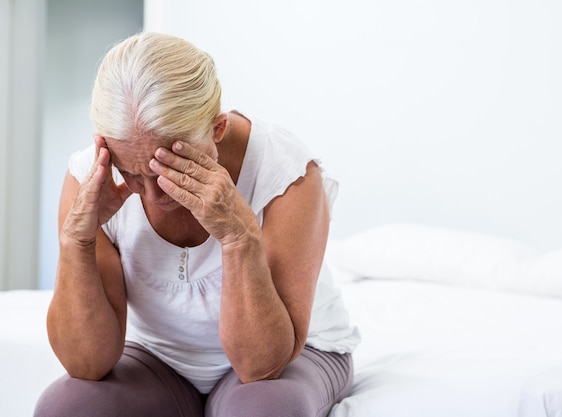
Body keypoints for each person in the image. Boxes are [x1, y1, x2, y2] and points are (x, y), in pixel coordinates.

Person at [34, 32, 360, 417]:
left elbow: (261, 365)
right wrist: (77, 241)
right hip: (159, 359)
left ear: (218, 129)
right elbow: (86, 364)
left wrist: (238, 237)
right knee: (65, 407)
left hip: (292, 358)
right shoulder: (93, 178)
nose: (154, 196)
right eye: (134, 175)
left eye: (173, 168)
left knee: (260, 409)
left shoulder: (286, 175)